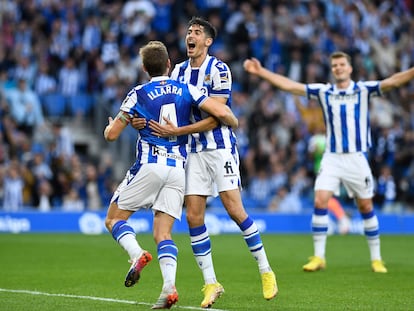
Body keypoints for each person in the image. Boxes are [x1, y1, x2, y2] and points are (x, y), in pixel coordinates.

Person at [145, 17, 277, 307]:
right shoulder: (177, 71)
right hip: (192, 153)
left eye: (197, 33)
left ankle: (266, 270)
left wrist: (178, 130)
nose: (190, 36)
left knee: (234, 209)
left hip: (219, 148)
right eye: (188, 31)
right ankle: (211, 282)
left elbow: (217, 115)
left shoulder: (218, 69)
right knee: (194, 217)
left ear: (208, 41)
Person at [244, 51, 414, 273]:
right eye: (335, 65)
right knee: (320, 200)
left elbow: (392, 82)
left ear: (350, 68)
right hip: (332, 157)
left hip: (356, 156)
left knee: (366, 206)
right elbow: (292, 86)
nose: (338, 68)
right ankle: (319, 257)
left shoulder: (362, 90)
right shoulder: (324, 91)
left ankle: (376, 258)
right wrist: (262, 72)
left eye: (342, 64)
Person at [103, 40, 238, 310]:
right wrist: (232, 120)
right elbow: (221, 112)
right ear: (168, 64)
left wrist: (116, 125)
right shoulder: (186, 87)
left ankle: (136, 254)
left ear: (143, 67)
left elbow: (111, 135)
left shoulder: (138, 93)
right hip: (179, 171)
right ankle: (168, 289)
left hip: (150, 165)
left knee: (114, 219)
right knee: (163, 234)